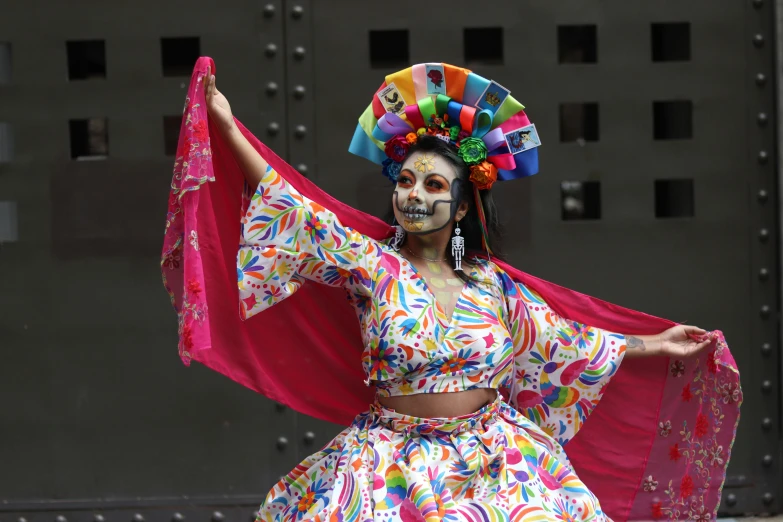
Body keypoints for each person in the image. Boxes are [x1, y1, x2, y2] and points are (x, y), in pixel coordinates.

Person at [162, 58, 740, 521]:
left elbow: (567, 341)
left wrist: (655, 344)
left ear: (462, 204)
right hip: (391, 464)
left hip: (497, 462)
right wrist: (226, 124)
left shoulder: (493, 286)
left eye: (433, 184)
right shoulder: (370, 265)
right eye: (405, 180)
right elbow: (292, 206)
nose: (413, 194)